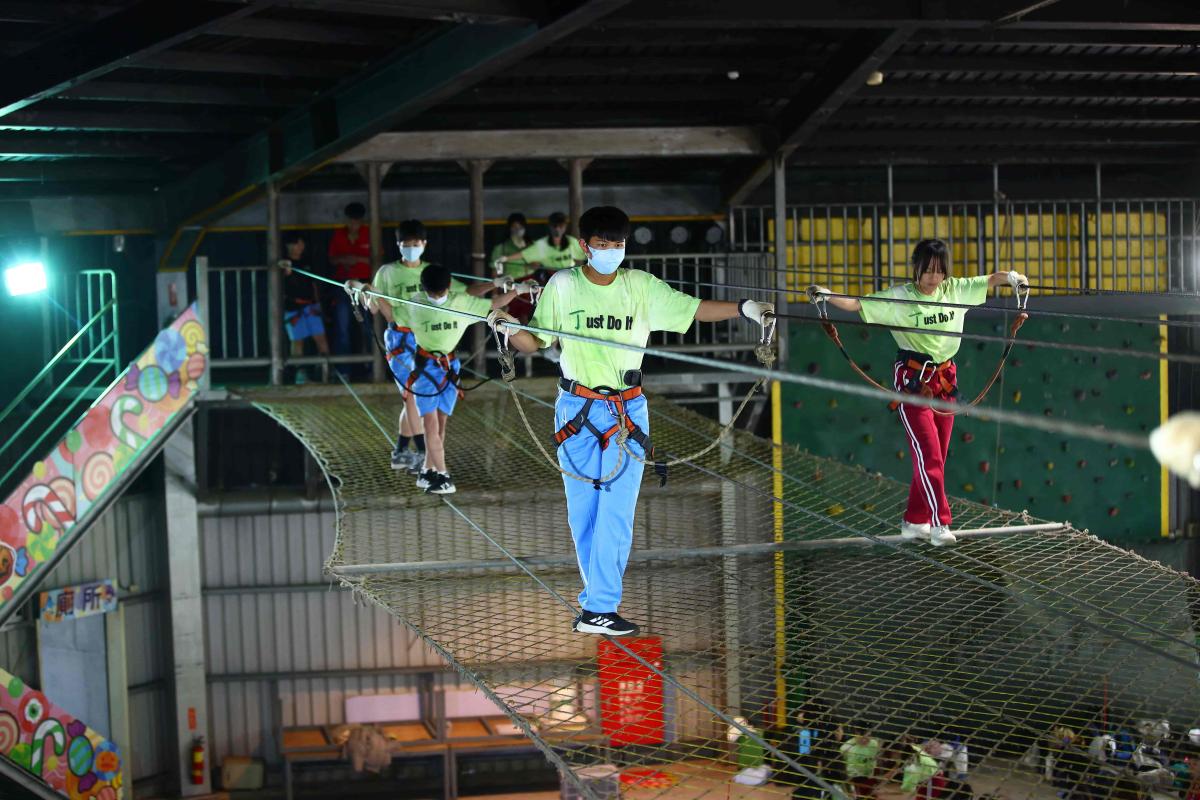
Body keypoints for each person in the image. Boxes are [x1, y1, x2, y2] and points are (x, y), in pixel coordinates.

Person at [486, 205, 774, 637]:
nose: (611, 251)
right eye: (602, 244)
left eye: (617, 244)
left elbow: (693, 309)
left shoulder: (640, 286)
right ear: (585, 247)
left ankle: (601, 605)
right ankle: (594, 607)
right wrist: (507, 327)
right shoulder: (563, 285)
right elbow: (536, 340)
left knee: (616, 510)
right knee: (583, 514)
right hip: (576, 410)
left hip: (627, 412)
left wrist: (744, 308)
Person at [810, 239, 1026, 547]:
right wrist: (827, 296)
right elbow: (857, 304)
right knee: (929, 455)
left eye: (939, 271)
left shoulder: (955, 290)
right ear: (916, 269)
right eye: (927, 270)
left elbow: (992, 279)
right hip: (913, 382)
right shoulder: (900, 297)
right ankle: (940, 523)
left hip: (946, 380)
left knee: (935, 457)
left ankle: (914, 521)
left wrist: (1014, 278)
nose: (933, 277)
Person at [364, 219, 505, 472]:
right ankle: (423, 454)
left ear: (424, 244)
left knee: (415, 396)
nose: (411, 248)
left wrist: (494, 284)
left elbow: (465, 293)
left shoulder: (431, 273)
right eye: (406, 244)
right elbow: (375, 308)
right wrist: (365, 292)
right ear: (398, 245)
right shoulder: (387, 272)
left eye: (415, 243)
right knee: (412, 395)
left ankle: (402, 452)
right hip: (401, 338)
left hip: (429, 339)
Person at [392, 264, 518, 494]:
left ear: (423, 286)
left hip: (442, 369)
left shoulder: (414, 303)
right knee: (434, 425)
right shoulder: (460, 302)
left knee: (436, 426)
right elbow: (494, 304)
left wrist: (365, 293)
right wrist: (518, 290)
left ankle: (428, 470)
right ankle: (444, 475)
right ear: (449, 285)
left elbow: (391, 314)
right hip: (434, 370)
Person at [278, 232, 330, 384]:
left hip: (311, 306)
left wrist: (318, 305)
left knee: (320, 338)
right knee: (297, 341)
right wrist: (286, 272)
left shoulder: (307, 262)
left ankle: (325, 372)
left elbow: (314, 285)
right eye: (298, 243)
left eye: (302, 243)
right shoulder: (283, 263)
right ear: (289, 246)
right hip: (293, 308)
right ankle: (300, 374)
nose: (301, 246)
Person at [328, 202, 373, 375]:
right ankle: (343, 370)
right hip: (343, 285)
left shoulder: (369, 234)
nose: (354, 225)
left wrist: (357, 259)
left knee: (369, 326)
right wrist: (345, 259)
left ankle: (373, 368)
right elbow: (332, 259)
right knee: (342, 328)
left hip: (364, 285)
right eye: (351, 221)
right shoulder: (339, 235)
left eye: (357, 221)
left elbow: (376, 258)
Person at [493, 211, 585, 279]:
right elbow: (524, 254)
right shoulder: (542, 244)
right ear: (550, 226)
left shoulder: (571, 241)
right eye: (554, 226)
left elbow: (585, 254)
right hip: (550, 278)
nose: (557, 229)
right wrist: (506, 258)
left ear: (565, 226)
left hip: (569, 276)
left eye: (561, 226)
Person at [842, 728, 883, 799]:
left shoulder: (874, 744)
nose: (865, 740)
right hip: (853, 779)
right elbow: (843, 770)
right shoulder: (846, 748)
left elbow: (875, 762)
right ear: (856, 734)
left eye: (868, 736)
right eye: (862, 737)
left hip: (869, 777)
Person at [490, 212, 530, 281]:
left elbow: (536, 265)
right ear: (509, 228)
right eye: (514, 227)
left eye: (520, 227)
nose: (518, 230)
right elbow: (495, 273)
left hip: (530, 283)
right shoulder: (500, 248)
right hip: (510, 283)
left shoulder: (532, 246)